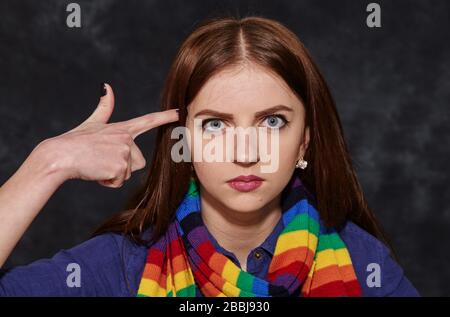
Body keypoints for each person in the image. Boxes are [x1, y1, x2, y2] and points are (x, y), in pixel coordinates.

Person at [0, 16, 419, 296]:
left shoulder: (363, 262)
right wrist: (48, 163)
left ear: (305, 142)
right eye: (216, 125)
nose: (245, 153)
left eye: (272, 122)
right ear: (185, 140)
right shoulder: (120, 268)